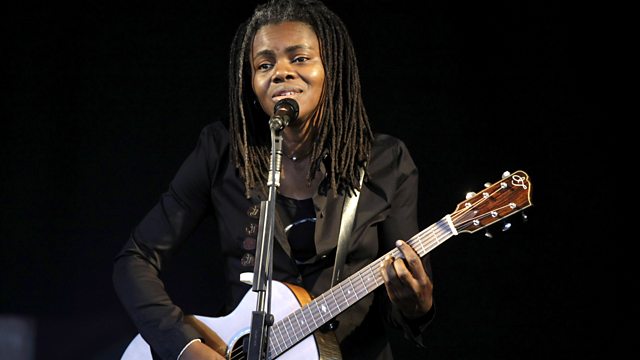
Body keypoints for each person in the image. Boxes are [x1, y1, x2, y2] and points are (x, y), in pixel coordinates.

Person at [113, 0, 434, 359]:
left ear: (332, 68)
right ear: (250, 82)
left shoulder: (385, 161)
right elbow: (135, 259)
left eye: (299, 58)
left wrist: (416, 305)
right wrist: (184, 346)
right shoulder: (224, 150)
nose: (280, 72)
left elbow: (406, 304)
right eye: (264, 64)